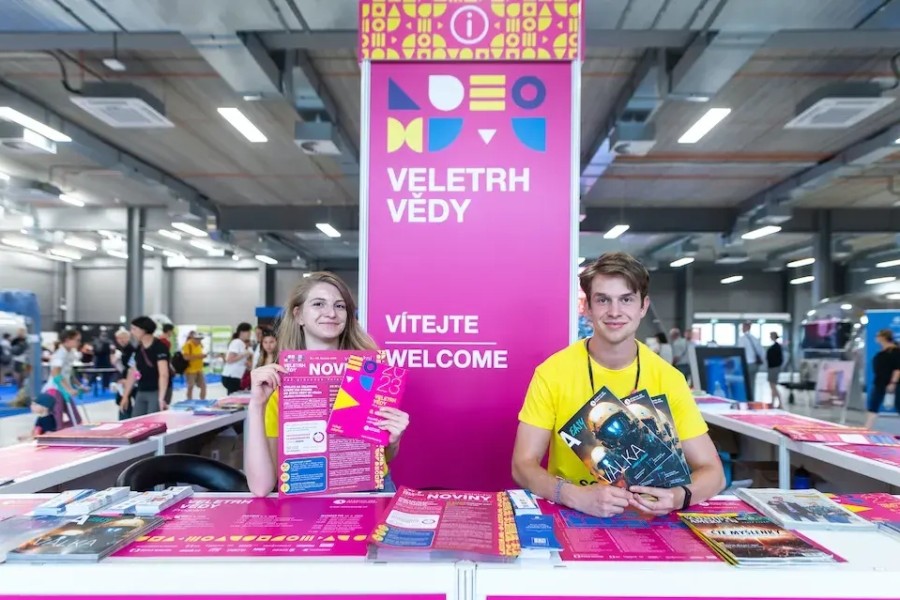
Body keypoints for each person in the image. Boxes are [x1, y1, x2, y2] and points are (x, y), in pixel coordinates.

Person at [512, 252, 725, 518]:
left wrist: (677, 497)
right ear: (587, 308)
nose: (614, 312)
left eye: (626, 299)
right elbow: (522, 465)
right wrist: (574, 495)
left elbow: (714, 473)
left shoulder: (668, 378)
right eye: (603, 300)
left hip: (649, 518)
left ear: (643, 307)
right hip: (574, 514)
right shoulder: (552, 373)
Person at [245, 272, 411, 497]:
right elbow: (261, 487)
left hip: (371, 492)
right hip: (308, 497)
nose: (331, 313)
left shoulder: (369, 374)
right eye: (318, 304)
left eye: (339, 306)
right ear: (298, 315)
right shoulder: (280, 384)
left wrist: (393, 441)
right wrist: (256, 405)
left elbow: (383, 458)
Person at [121, 317, 170, 417]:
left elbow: (163, 374)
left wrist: (161, 398)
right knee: (136, 420)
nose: (131, 332)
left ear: (143, 330)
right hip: (141, 390)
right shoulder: (138, 349)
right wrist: (125, 396)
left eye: (134, 329)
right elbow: (133, 372)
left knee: (153, 421)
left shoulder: (160, 347)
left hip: (156, 391)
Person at [865, 329, 900, 429]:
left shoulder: (896, 351)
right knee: (873, 404)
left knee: (899, 405)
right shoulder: (881, 352)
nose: (876, 338)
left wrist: (893, 382)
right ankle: (867, 427)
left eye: (877, 336)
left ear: (883, 337)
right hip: (879, 382)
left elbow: (898, 369)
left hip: (893, 382)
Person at [42, 329, 84, 400]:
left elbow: (70, 373)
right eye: (77, 340)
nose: (79, 343)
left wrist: (80, 385)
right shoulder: (60, 354)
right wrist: (68, 389)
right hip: (55, 390)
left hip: (64, 390)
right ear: (67, 340)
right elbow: (55, 374)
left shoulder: (70, 353)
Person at [221, 323, 253, 395]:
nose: (250, 334)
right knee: (233, 397)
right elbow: (229, 360)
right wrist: (244, 354)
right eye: (248, 331)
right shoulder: (237, 342)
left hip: (236, 376)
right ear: (242, 332)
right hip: (231, 376)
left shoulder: (241, 343)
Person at [737, 322, 765, 401]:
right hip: (754, 364)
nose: (742, 329)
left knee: (745, 384)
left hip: (746, 364)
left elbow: (740, 352)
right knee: (752, 383)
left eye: (743, 327)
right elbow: (762, 352)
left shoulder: (742, 339)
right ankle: (752, 399)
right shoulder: (755, 339)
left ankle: (746, 399)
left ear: (746, 327)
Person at [113, 329, 135, 420]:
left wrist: (127, 379)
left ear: (128, 338)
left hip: (130, 379)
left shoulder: (131, 350)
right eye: (119, 338)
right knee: (123, 401)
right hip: (123, 378)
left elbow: (132, 368)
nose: (121, 340)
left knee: (126, 401)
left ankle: (127, 420)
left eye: (123, 338)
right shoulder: (120, 350)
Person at [181, 331, 208, 401]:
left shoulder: (200, 345)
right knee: (190, 386)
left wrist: (203, 356)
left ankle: (203, 401)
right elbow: (186, 357)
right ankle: (189, 400)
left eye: (200, 339)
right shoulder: (188, 345)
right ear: (192, 338)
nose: (199, 341)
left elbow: (200, 353)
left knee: (203, 385)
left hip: (199, 369)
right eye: (197, 339)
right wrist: (199, 356)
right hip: (190, 370)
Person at [766, 332, 784, 408]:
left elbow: (779, 359)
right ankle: (773, 402)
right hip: (772, 367)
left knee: (773, 386)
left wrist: (776, 366)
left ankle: (780, 402)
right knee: (772, 386)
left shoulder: (776, 346)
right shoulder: (775, 346)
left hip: (774, 368)